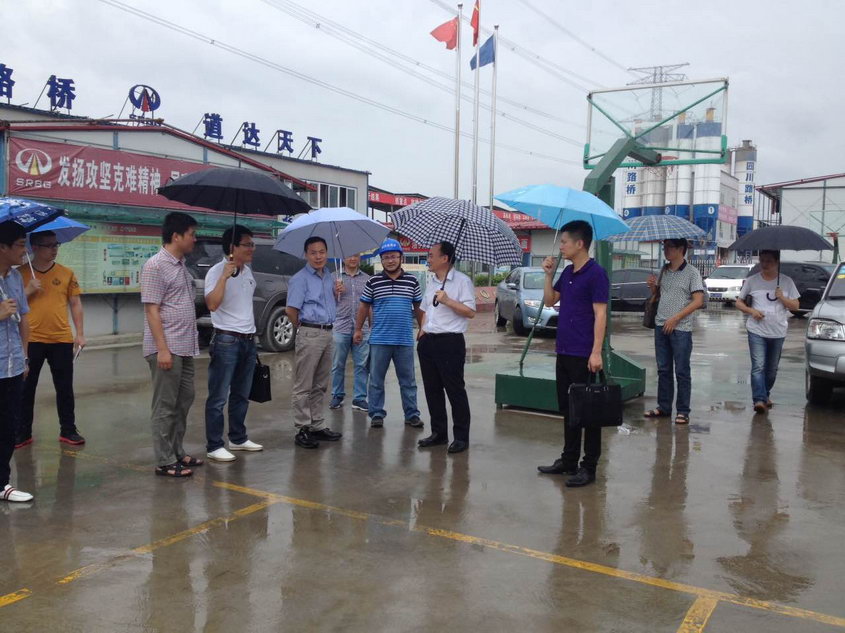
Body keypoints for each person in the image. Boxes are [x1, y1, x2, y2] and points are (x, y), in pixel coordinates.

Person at [537, 220, 609, 488]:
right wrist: (548, 275)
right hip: (564, 350)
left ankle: (588, 467)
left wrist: (596, 352)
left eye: (565, 242)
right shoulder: (567, 272)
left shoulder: (596, 274)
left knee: (588, 413)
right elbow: (550, 300)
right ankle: (568, 460)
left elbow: (600, 314)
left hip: (583, 353)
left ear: (580, 244)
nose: (561, 247)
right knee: (568, 409)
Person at [140, 212, 202, 478]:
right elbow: (151, 310)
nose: (194, 239)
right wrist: (162, 349)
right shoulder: (155, 266)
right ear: (176, 236)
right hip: (167, 348)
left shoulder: (181, 265)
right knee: (165, 406)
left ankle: (177, 451)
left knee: (184, 400)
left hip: (185, 346)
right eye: (191, 234)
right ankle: (164, 461)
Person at [17, 230, 85, 448]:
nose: (54, 249)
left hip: (61, 339)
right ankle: (23, 432)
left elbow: (75, 303)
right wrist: (28, 291)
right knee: (26, 389)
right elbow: (10, 305)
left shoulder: (66, 273)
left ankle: (68, 430)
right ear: (35, 247)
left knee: (65, 388)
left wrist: (80, 333)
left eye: (56, 245)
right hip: (31, 339)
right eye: (49, 245)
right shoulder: (19, 274)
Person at [203, 225, 264, 462]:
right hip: (226, 340)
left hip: (248, 339)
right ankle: (214, 444)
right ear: (232, 247)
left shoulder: (248, 271)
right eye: (247, 244)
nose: (252, 248)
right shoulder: (216, 271)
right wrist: (224, 278)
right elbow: (212, 304)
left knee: (241, 393)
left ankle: (238, 438)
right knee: (219, 396)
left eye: (252, 244)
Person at [354, 239, 424, 430]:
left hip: (404, 340)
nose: (390, 260)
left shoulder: (412, 281)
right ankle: (376, 413)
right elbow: (363, 307)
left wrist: (422, 328)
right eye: (386, 257)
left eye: (393, 256)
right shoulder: (373, 281)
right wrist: (358, 329)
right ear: (381, 260)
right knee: (376, 380)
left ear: (401, 257)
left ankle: (412, 414)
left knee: (408, 381)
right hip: (379, 339)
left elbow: (419, 307)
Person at [416, 241, 476, 454]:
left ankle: (461, 437)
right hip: (428, 342)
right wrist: (422, 330)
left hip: (450, 342)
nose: (428, 259)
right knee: (432, 390)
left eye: (432, 255)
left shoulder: (462, 281)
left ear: (445, 258)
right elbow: (425, 309)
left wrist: (448, 300)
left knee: (454, 390)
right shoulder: (432, 281)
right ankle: (439, 433)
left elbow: (470, 312)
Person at [286, 236, 344, 449]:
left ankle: (317, 425)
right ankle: (303, 428)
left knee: (320, 384)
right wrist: (303, 329)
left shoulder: (328, 275)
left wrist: (337, 292)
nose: (318, 256)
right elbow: (290, 310)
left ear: (327, 253)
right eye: (313, 253)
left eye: (322, 252)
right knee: (304, 385)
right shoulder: (300, 279)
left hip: (328, 332)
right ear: (306, 255)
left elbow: (328, 303)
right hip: (310, 333)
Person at [643, 238, 706, 425]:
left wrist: (676, 318)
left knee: (681, 371)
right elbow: (659, 296)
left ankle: (683, 411)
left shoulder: (692, 272)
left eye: (669, 247)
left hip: (681, 329)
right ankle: (663, 407)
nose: (666, 250)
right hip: (660, 325)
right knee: (663, 369)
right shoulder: (663, 270)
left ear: (681, 249)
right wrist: (653, 287)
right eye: (665, 247)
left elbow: (698, 301)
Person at [735, 250, 800, 413]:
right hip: (756, 330)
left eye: (769, 261)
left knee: (771, 369)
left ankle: (765, 394)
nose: (765, 264)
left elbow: (796, 306)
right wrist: (751, 311)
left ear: (777, 262)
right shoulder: (752, 281)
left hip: (778, 331)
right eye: (762, 260)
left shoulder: (786, 282)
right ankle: (758, 400)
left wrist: (782, 297)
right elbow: (739, 302)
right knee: (758, 366)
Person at [0, 221, 34, 502]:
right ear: (3, 247)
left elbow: (24, 319)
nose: (25, 251)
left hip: (12, 365)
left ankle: (2, 483)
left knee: (8, 427)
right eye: (21, 245)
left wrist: (24, 357)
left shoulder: (14, 278)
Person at [329, 254, 371, 412]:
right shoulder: (334, 278)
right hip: (341, 326)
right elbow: (327, 303)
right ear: (342, 258)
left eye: (356, 255)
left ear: (360, 258)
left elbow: (370, 305)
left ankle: (359, 398)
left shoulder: (367, 279)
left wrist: (372, 326)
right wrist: (335, 292)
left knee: (362, 365)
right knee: (338, 364)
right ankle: (337, 395)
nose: (353, 259)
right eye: (349, 256)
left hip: (362, 327)